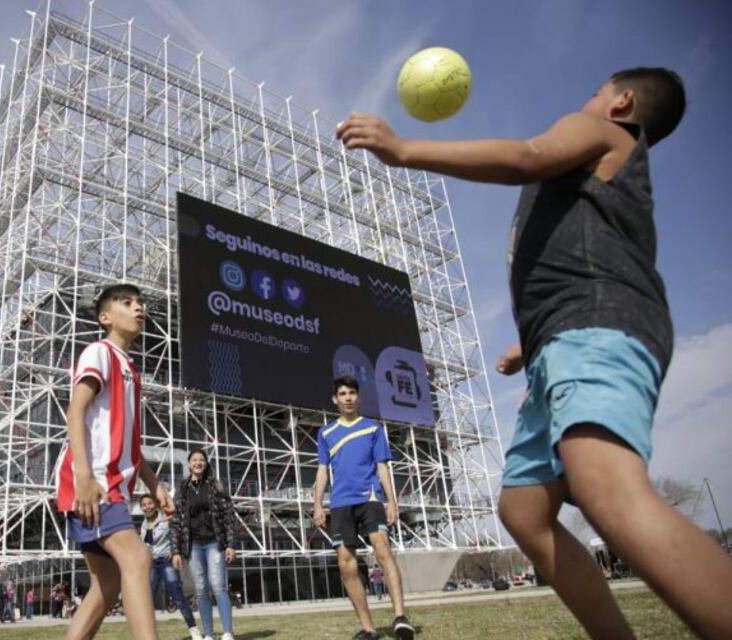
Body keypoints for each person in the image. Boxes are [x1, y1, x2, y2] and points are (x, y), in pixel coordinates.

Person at [337, 68, 732, 640]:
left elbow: (524, 156)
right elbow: (592, 253)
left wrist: (404, 149)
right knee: (523, 510)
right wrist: (533, 341)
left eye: (597, 90)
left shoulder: (600, 131)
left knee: (605, 491)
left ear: (622, 102)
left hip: (594, 328)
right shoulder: (600, 171)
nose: (587, 97)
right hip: (561, 339)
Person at [56, 283, 173, 640]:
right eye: (127, 303)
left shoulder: (130, 369)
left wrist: (154, 484)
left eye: (140, 303)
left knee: (106, 586)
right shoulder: (99, 352)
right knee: (138, 559)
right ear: (106, 317)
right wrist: (85, 477)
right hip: (95, 485)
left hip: (112, 486)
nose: (138, 308)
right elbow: (75, 412)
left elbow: (130, 445)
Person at [313, 377, 414, 640]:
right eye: (343, 394)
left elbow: (382, 467)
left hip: (369, 499)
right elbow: (322, 471)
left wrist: (391, 501)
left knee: (383, 551)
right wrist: (317, 504)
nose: (348, 397)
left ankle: (400, 618)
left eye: (352, 393)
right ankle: (369, 629)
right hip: (340, 504)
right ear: (335, 399)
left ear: (358, 397)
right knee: (346, 565)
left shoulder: (373, 428)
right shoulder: (325, 433)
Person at [170, 449, 238, 640]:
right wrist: (176, 550)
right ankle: (208, 634)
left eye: (201, 460)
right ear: (189, 464)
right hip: (193, 545)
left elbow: (229, 516)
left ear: (206, 464)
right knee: (200, 589)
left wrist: (231, 544)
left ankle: (227, 632)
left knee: (218, 586)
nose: (198, 463)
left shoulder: (216, 485)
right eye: (194, 460)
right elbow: (176, 521)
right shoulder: (182, 488)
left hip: (214, 542)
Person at [139, 494, 202, 639]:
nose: (147, 507)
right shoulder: (143, 525)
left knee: (178, 596)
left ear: (155, 505)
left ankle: (194, 630)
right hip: (152, 565)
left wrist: (175, 551)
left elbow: (179, 533)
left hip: (166, 562)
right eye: (144, 505)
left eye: (150, 503)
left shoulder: (166, 519)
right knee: (147, 599)